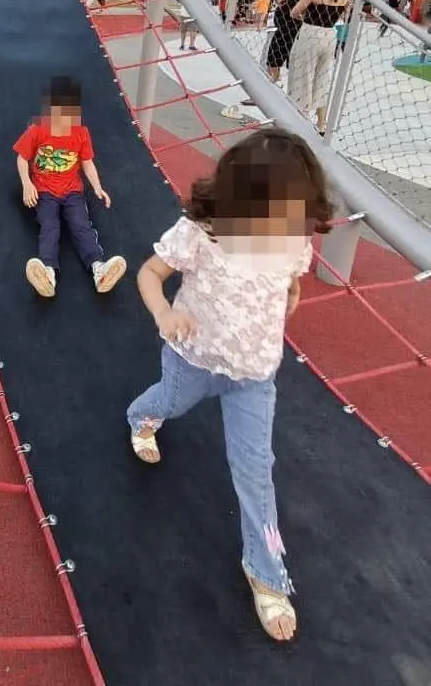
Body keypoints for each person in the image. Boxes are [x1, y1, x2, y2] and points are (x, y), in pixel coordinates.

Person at [127, 128, 332, 642]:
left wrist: (288, 296)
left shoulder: (293, 239)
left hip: (254, 378)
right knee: (169, 402)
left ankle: (266, 572)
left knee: (257, 472)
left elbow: (291, 279)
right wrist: (165, 313)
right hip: (193, 360)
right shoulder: (204, 231)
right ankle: (140, 416)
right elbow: (149, 273)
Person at [14, 76, 127, 298]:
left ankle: (98, 269)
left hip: (72, 190)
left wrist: (97, 187)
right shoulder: (37, 130)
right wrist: (27, 184)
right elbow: (22, 158)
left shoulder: (80, 132)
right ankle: (48, 272)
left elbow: (87, 162)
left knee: (80, 224)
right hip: (44, 190)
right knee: (50, 226)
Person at [287, 0, 351, 134]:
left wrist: (305, 18)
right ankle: (321, 124)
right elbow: (344, 14)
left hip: (311, 32)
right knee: (322, 78)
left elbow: (294, 12)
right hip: (330, 34)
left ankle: (298, 121)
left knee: (302, 77)